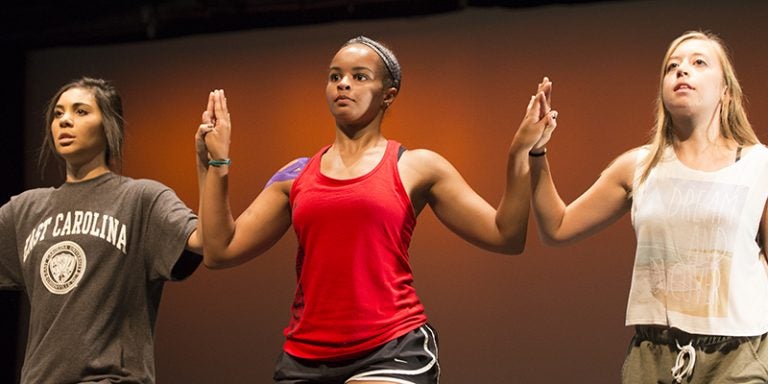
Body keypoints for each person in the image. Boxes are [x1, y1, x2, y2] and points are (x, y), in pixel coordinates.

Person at [195, 35, 556, 383]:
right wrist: (215, 163)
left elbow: (505, 236)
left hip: (392, 348)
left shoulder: (416, 166)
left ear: (388, 95)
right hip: (305, 358)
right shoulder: (297, 174)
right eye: (335, 76)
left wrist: (519, 153)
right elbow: (219, 250)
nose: (343, 85)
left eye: (359, 76)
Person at [529, 30, 768, 383]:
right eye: (672, 66)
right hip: (653, 356)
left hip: (738, 357)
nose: (682, 71)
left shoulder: (759, 165)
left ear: (726, 92)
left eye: (698, 62)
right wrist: (537, 151)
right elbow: (557, 227)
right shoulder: (639, 167)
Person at [0, 77, 204, 383]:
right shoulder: (24, 209)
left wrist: (213, 166)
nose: (65, 120)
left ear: (110, 127)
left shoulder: (140, 199)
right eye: (58, 114)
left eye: (80, 111)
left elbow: (205, 241)